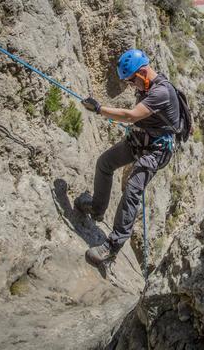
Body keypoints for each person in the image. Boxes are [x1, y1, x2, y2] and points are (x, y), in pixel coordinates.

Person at [76, 49, 181, 265]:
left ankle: (111, 248)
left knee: (133, 188)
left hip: (157, 151)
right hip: (139, 141)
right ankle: (97, 208)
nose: (132, 85)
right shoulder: (147, 85)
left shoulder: (161, 92)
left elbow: (131, 116)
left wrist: (99, 109)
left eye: (132, 81)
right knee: (104, 163)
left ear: (142, 73)